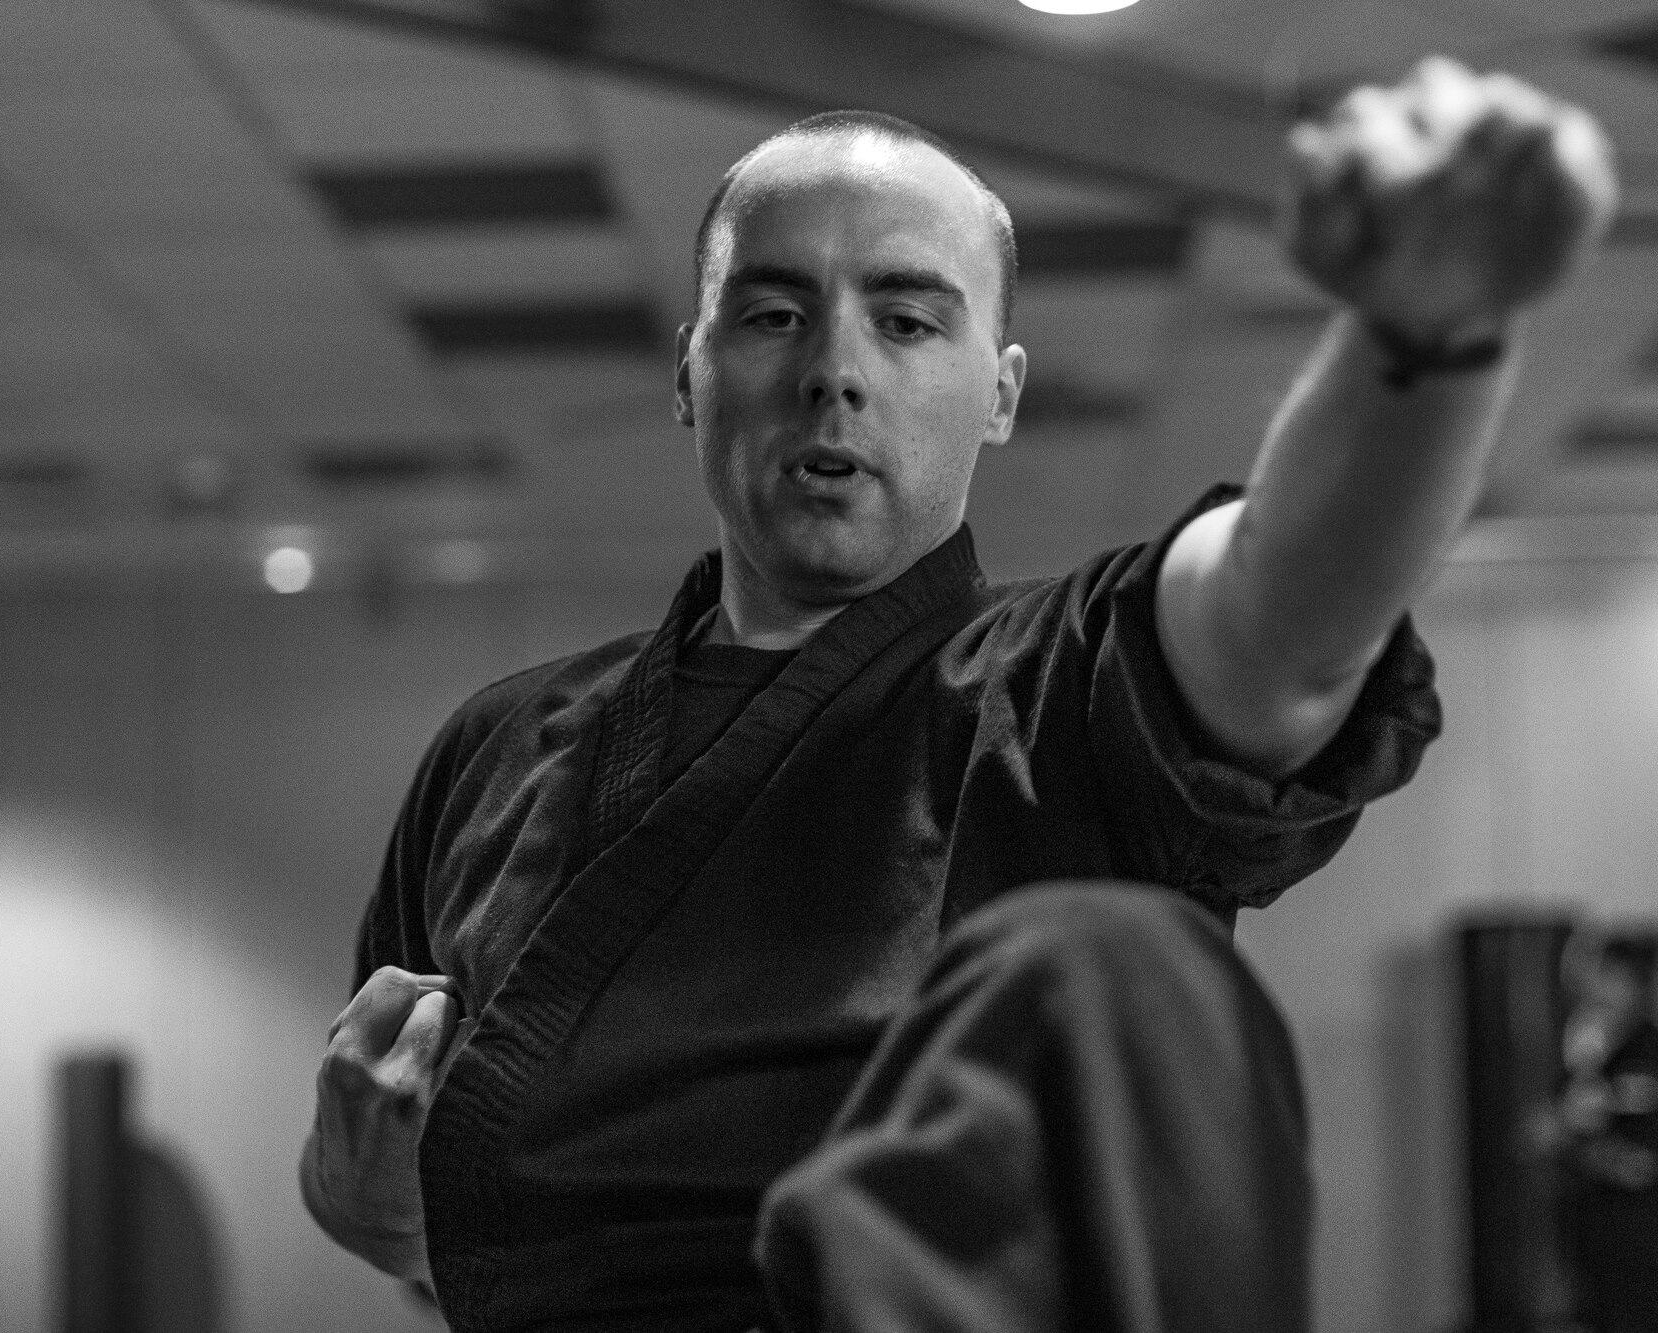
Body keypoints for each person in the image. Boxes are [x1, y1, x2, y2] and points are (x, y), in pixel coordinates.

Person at [301, 56, 1618, 1333]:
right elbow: (413, 1194)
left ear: (1001, 392)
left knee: (1108, 962)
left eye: (907, 319)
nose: (834, 369)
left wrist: (1428, 335)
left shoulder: (1062, 685)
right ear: (690, 372)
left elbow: (1285, 610)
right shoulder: (501, 751)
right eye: (772, 315)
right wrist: (367, 1205)